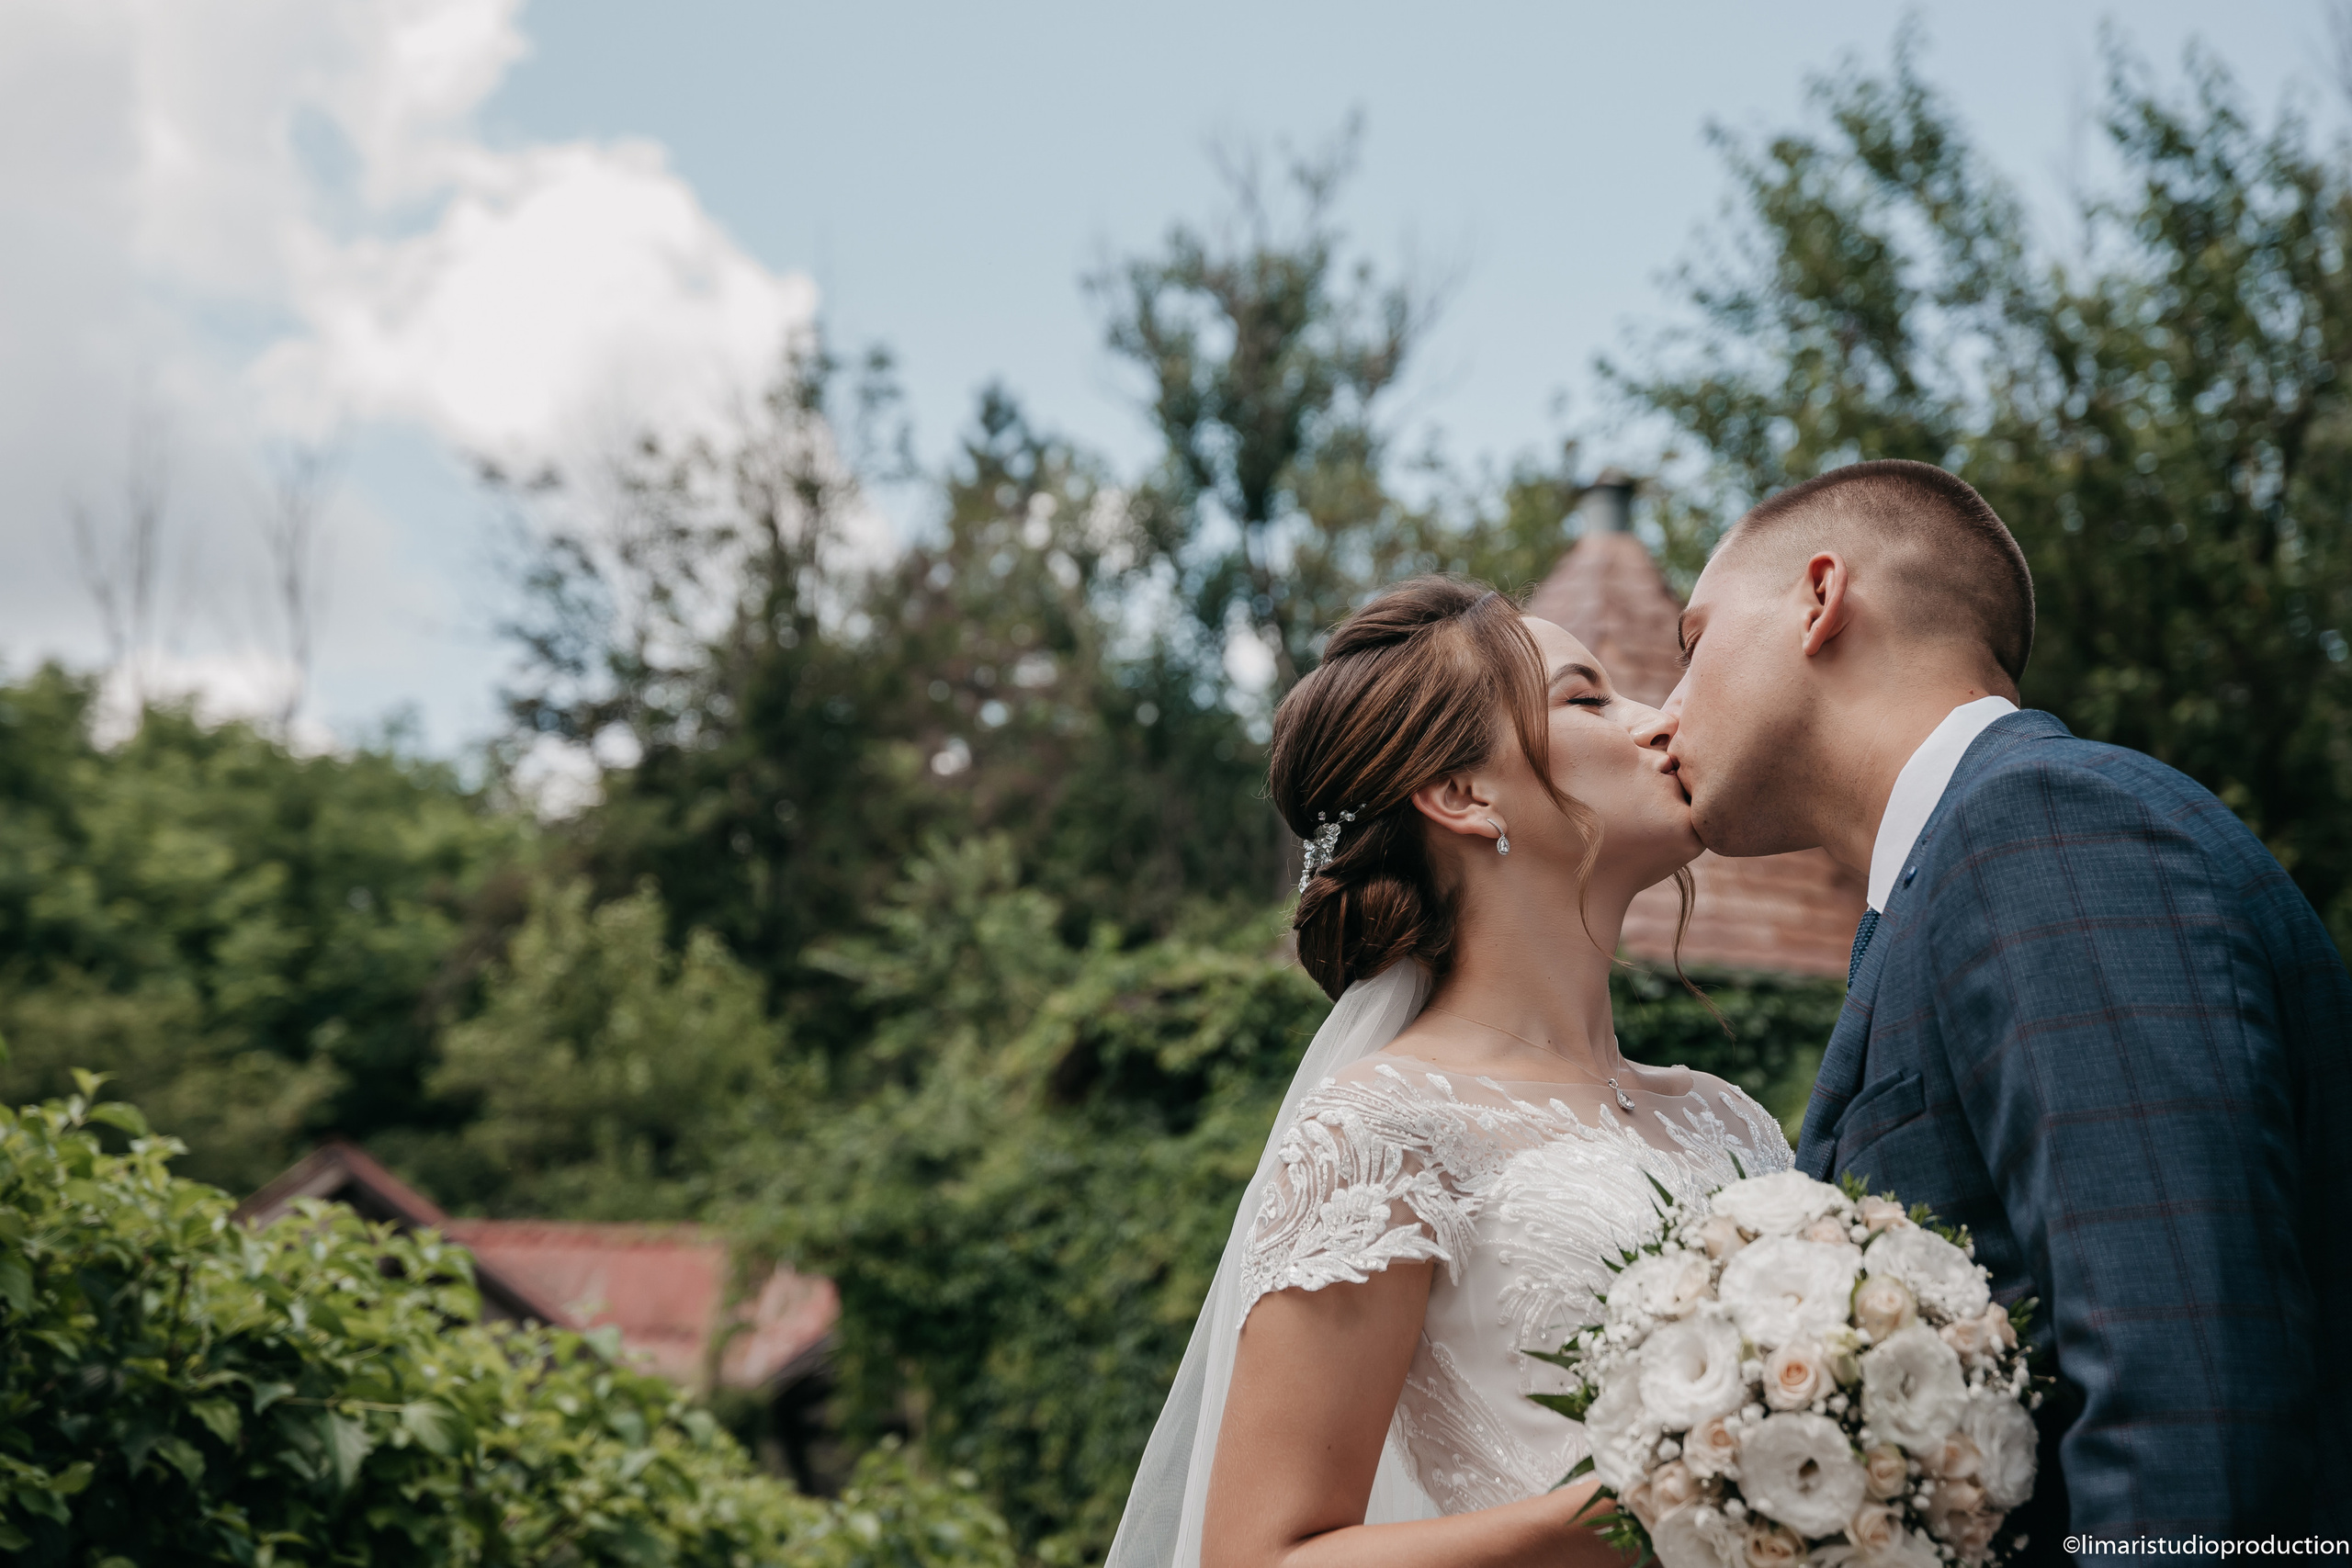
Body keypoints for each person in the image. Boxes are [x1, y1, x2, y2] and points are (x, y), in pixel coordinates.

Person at [1662, 459, 2351, 1542]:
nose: (1661, 719)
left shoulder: (2046, 828)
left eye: (1690, 646)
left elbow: (2188, 1395)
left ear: (1818, 596)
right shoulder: (1952, 880)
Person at [1106, 577, 1792, 1568]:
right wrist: (1649, 1499)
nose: (1663, 721)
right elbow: (1260, 1556)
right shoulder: (1380, 1129)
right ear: (1463, 795)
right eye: (1588, 698)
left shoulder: (1728, 1118)